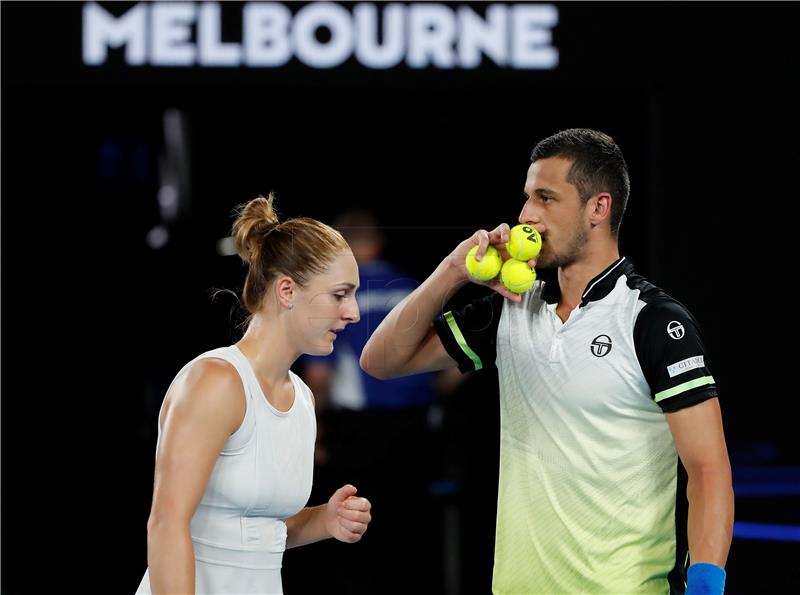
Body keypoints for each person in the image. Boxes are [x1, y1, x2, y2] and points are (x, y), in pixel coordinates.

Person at [361, 129, 734, 595]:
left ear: (598, 208)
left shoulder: (654, 320)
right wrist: (453, 271)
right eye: (526, 199)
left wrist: (705, 589)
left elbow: (707, 469)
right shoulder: (511, 306)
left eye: (546, 198)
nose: (525, 216)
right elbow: (380, 361)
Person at [136, 193, 372, 595]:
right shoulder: (214, 382)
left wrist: (323, 520)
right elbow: (166, 524)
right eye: (339, 294)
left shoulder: (302, 399)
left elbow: (257, 531)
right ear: (286, 291)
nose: (353, 312)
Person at [297, 209, 444, 594]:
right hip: (416, 429)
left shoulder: (336, 296)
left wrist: (313, 436)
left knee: (353, 535)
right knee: (411, 531)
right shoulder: (413, 288)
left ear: (340, 249)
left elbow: (319, 377)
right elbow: (460, 363)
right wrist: (431, 393)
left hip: (359, 435)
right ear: (378, 242)